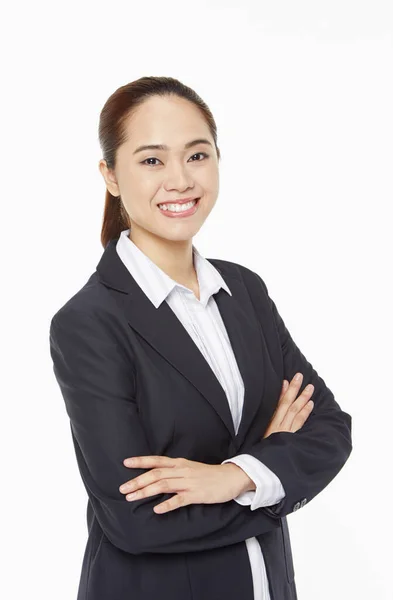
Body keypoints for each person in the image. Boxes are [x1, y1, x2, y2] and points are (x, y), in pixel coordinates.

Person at [49, 76, 353, 600]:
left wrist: (234, 476)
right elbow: (136, 519)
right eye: (151, 161)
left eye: (197, 155)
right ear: (111, 175)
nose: (180, 180)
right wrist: (271, 466)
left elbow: (329, 428)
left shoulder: (245, 291)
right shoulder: (89, 322)